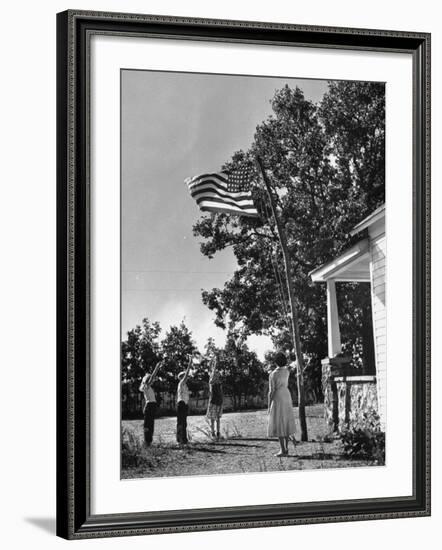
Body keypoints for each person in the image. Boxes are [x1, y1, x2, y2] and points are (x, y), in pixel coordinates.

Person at [267, 351, 297, 457]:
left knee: (279, 422)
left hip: (278, 396)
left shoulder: (273, 374)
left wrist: (269, 404)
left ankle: (282, 449)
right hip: (286, 394)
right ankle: (286, 448)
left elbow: (271, 391)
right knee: (286, 420)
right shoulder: (287, 371)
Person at [139, 360, 163, 446]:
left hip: (151, 406)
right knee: (148, 425)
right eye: (151, 379)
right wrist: (157, 366)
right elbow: (153, 376)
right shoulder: (146, 386)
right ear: (148, 380)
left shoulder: (148, 387)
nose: (153, 381)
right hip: (150, 406)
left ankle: (148, 441)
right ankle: (147, 442)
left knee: (150, 425)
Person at [176, 355, 193, 444]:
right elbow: (186, 374)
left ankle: (183, 439)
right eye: (185, 376)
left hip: (184, 404)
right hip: (181, 404)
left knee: (183, 422)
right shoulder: (182, 382)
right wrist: (190, 363)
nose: (187, 377)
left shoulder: (184, 385)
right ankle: (181, 440)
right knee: (181, 422)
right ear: (182, 377)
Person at [206, 356, 223, 440]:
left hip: (218, 402)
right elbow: (212, 372)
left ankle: (218, 433)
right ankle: (213, 433)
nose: (217, 374)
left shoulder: (219, 383)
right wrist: (215, 362)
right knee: (213, 419)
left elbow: (221, 393)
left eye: (217, 374)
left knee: (218, 419)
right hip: (213, 402)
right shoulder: (212, 382)